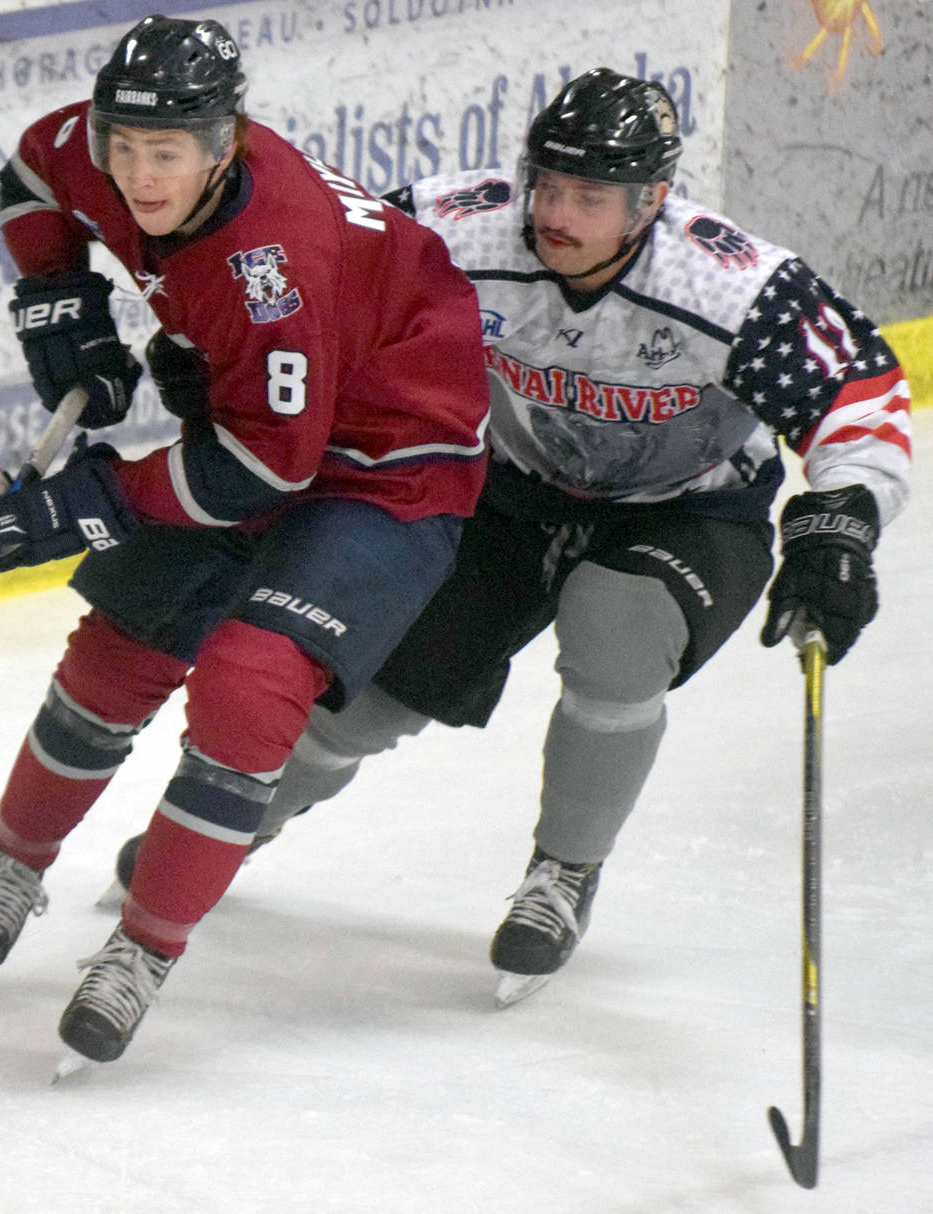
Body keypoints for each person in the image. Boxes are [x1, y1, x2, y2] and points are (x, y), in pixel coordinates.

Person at [111, 67, 912, 1007]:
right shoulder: (461, 227)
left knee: (614, 630)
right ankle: (238, 819)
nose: (555, 213)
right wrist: (220, 349)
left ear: (652, 199)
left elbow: (857, 391)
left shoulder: (727, 283)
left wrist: (839, 523)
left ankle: (562, 873)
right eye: (546, 185)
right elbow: (304, 261)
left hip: (687, 511)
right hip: (503, 492)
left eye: (589, 196)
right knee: (365, 695)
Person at [0, 14, 490, 1068]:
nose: (140, 177)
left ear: (223, 143)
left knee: (249, 679)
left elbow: (265, 472)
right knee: (120, 645)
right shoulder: (105, 152)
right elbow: (29, 173)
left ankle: (142, 948)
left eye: (168, 154)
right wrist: (57, 293)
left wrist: (86, 501)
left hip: (388, 468)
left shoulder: (269, 264)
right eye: (126, 147)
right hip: (263, 428)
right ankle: (13, 863)